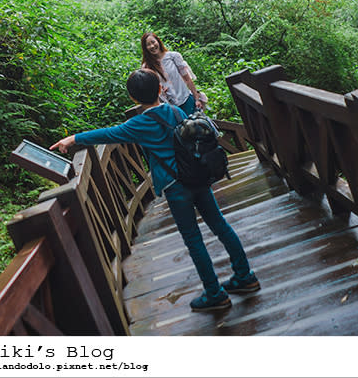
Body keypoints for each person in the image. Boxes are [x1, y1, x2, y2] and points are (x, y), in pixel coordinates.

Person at [50, 68, 259, 313]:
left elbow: (108, 134)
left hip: (175, 186)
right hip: (198, 177)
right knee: (220, 225)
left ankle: (214, 293)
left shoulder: (138, 124)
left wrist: (74, 138)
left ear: (133, 98)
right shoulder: (176, 110)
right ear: (161, 89)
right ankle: (245, 276)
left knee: (193, 239)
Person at [141, 31, 206, 116]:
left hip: (186, 100)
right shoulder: (147, 67)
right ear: (145, 48)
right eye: (148, 45)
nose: (152, 46)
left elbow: (187, 79)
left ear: (158, 41)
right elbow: (150, 90)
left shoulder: (173, 57)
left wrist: (197, 99)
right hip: (170, 108)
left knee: (196, 126)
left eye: (153, 42)